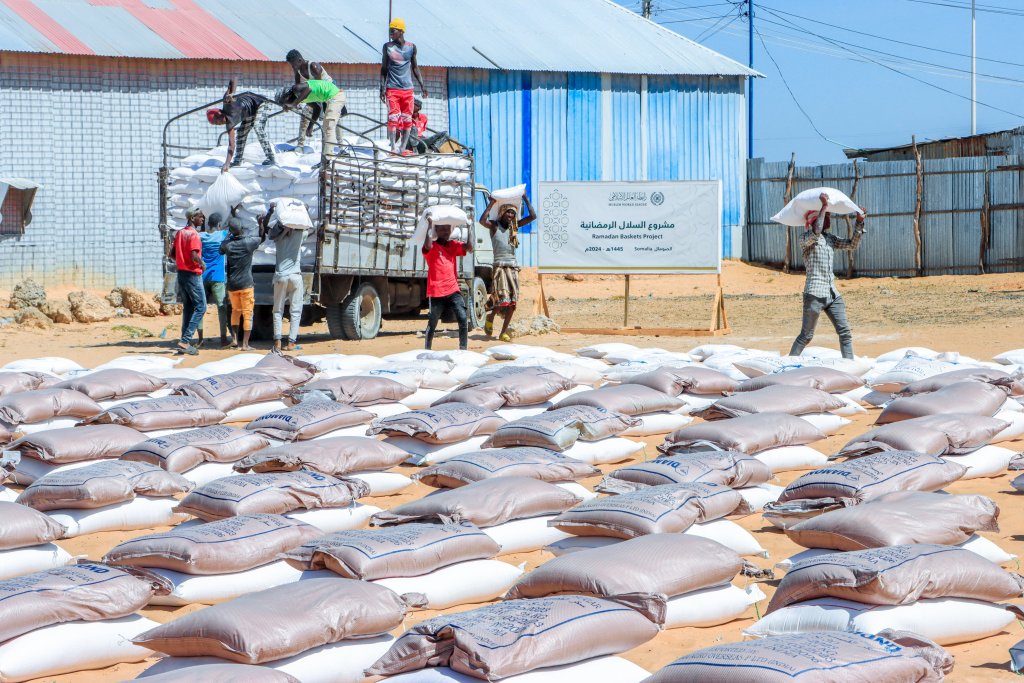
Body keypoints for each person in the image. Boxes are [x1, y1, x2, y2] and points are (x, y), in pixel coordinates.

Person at [789, 193, 867, 360]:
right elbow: (816, 232)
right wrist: (824, 206)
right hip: (814, 294)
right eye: (826, 216)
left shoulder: (831, 239)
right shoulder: (805, 238)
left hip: (832, 294)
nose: (829, 218)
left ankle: (849, 365)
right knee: (806, 336)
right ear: (816, 220)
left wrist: (859, 222)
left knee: (845, 332)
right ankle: (787, 366)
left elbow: (852, 245)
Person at [479, 195, 536, 341]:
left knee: (512, 302)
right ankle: (490, 317)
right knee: (502, 299)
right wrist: (492, 203)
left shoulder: (514, 227)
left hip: (513, 266)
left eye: (513, 213)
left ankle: (503, 332)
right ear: (502, 213)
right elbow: (482, 221)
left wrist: (526, 199)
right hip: (499, 267)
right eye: (508, 212)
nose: (511, 215)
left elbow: (533, 216)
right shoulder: (494, 226)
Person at [422, 215, 473, 350]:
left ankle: (463, 350)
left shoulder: (453, 245)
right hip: (436, 291)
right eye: (442, 229)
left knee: (462, 318)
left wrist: (469, 226)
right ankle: (427, 349)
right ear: (436, 231)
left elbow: (469, 247)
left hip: (452, 290)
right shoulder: (431, 247)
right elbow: (427, 245)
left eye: (447, 228)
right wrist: (430, 225)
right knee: (432, 323)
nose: (445, 231)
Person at [261, 202, 306, 352]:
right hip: (295, 276)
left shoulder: (277, 239)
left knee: (278, 310)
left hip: (280, 276)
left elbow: (267, 228)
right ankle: (292, 342)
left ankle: (277, 342)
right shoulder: (300, 235)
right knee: (295, 311)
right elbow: (306, 224)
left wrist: (271, 211)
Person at [380, 17, 428, 154]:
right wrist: (382, 88)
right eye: (389, 31)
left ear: (401, 31)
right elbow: (384, 68)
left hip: (407, 89)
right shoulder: (387, 47)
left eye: (393, 31)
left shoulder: (411, 48)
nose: (390, 33)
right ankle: (393, 148)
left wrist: (422, 85)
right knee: (393, 117)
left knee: (407, 119)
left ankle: (403, 148)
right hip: (392, 88)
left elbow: (415, 67)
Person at [207, 80, 276, 172]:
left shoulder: (227, 103)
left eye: (217, 122)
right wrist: (227, 163)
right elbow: (231, 145)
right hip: (250, 112)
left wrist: (232, 93)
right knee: (241, 134)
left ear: (219, 114)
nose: (219, 124)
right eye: (216, 124)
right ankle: (238, 160)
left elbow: (233, 80)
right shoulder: (229, 125)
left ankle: (270, 157)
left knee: (258, 127)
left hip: (262, 103)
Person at [220, 216, 266, 350]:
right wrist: (260, 223)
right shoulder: (248, 243)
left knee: (235, 311)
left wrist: (228, 234)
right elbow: (262, 238)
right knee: (247, 313)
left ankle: (234, 339)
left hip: (232, 285)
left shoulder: (227, 245)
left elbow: (220, 248)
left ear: (231, 230)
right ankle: (245, 344)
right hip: (246, 284)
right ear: (241, 229)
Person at [277, 79, 347, 158]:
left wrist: (294, 104)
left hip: (335, 96)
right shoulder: (303, 99)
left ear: (287, 98)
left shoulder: (296, 89)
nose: (289, 107)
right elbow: (317, 109)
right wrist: (310, 126)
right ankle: (326, 158)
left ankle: (328, 159)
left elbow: (308, 89)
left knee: (328, 127)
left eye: (286, 105)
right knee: (326, 128)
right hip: (331, 98)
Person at [169, 210, 206, 355]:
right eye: (200, 217)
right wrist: (202, 264)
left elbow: (172, 254)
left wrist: (181, 261)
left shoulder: (179, 234)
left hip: (182, 274)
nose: (202, 219)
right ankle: (185, 341)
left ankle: (184, 342)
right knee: (201, 307)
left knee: (189, 308)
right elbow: (194, 254)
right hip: (192, 274)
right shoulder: (194, 234)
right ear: (192, 218)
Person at [285, 49, 334, 151]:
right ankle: (300, 144)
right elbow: (298, 87)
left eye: (293, 64)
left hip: (328, 91)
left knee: (332, 119)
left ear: (299, 60)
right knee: (305, 113)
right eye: (291, 65)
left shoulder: (313, 66)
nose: (293, 67)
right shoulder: (297, 69)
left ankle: (340, 145)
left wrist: (296, 102)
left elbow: (319, 87)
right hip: (313, 92)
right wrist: (297, 101)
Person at [197, 212, 233, 348]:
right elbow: (233, 228)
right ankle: (223, 338)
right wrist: (233, 213)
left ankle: (200, 339)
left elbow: (199, 236)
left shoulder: (201, 237)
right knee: (222, 308)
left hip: (203, 276)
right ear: (219, 225)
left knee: (200, 308)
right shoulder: (222, 235)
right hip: (217, 278)